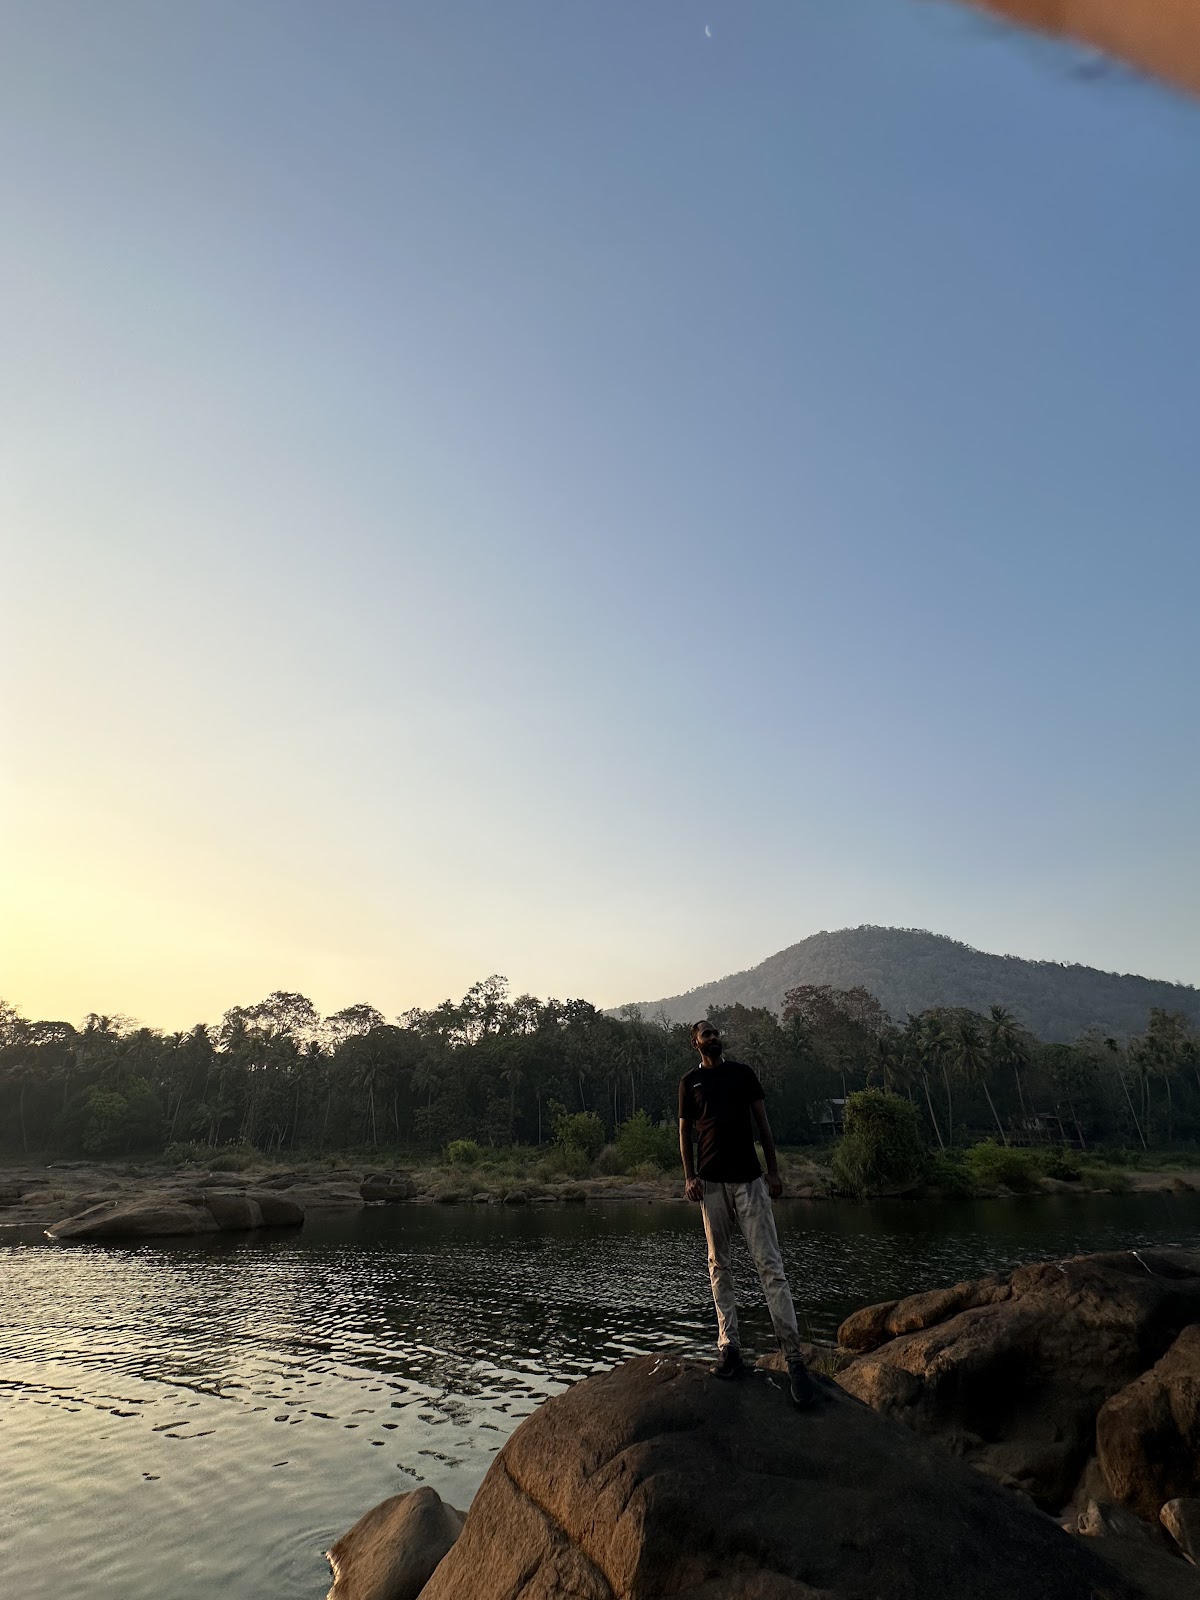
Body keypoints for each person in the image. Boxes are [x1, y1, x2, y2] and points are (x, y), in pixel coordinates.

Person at [679, 1020, 816, 1409]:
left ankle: (794, 1360)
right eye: (706, 1033)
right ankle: (730, 1349)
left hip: (749, 1182)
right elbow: (685, 1132)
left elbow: (763, 1123)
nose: (714, 1037)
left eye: (717, 1032)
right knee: (718, 1265)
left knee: (770, 1267)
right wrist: (689, 1177)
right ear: (696, 1043)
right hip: (711, 1184)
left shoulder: (742, 1074)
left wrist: (773, 1171)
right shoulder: (690, 1083)